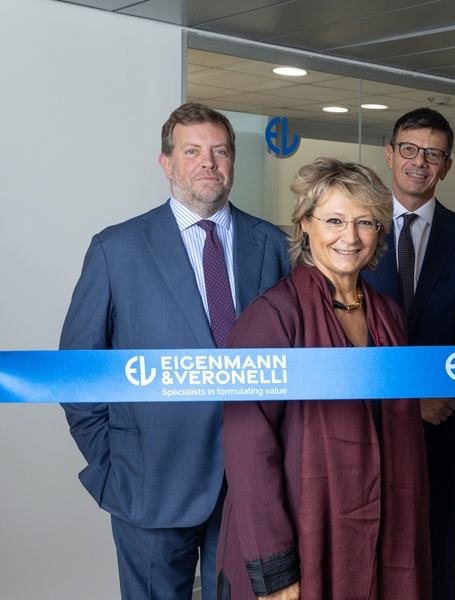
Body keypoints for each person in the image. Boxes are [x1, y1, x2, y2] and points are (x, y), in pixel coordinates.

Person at [59, 102, 290, 600]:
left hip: (251, 481)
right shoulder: (116, 249)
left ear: (232, 161)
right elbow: (76, 370)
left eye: (220, 151)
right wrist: (111, 460)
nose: (208, 162)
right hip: (150, 480)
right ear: (166, 163)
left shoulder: (274, 245)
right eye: (192, 151)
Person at [217, 158, 431, 600]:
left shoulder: (389, 316)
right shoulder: (271, 317)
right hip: (305, 539)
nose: (350, 237)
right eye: (334, 220)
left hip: (386, 535)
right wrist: (276, 573)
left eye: (365, 222)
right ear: (304, 224)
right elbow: (248, 450)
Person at [361, 107, 455, 600]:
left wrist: (430, 400)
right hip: (364, 427)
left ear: (447, 166)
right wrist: (404, 403)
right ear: (390, 155)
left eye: (433, 154)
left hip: (440, 427)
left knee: (434, 562)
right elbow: (341, 340)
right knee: (365, 561)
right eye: (410, 149)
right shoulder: (355, 231)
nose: (420, 161)